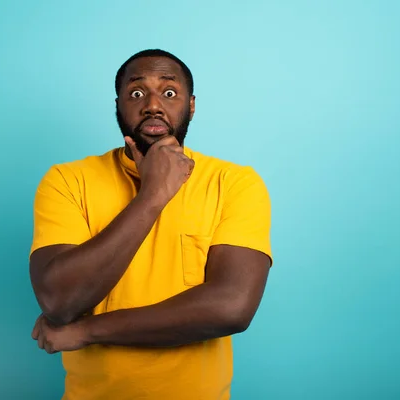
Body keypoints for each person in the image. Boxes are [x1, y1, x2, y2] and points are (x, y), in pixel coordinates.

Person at [29, 49, 273, 400]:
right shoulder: (68, 180)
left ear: (191, 105)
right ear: (119, 105)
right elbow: (59, 300)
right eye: (137, 93)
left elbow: (231, 307)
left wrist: (88, 331)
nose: (153, 105)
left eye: (169, 93)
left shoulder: (234, 183)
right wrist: (153, 195)